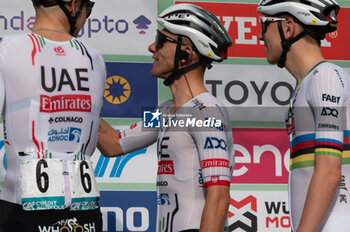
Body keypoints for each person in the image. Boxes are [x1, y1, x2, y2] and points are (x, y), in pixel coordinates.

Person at [97, 3, 234, 232]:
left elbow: (219, 197)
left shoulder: (205, 111)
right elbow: (113, 144)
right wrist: (79, 100)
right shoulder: (165, 111)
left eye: (161, 41)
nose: (152, 47)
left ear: (186, 52)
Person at [0, 0, 106, 231]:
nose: (87, 15)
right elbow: (113, 141)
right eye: (89, 7)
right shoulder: (94, 58)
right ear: (74, 5)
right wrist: (174, 115)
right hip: (85, 210)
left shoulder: (6, 48)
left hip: (19, 206)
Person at [257, 0, 350, 231]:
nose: (260, 37)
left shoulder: (325, 76)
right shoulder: (308, 83)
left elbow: (329, 170)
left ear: (288, 28)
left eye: (264, 26)